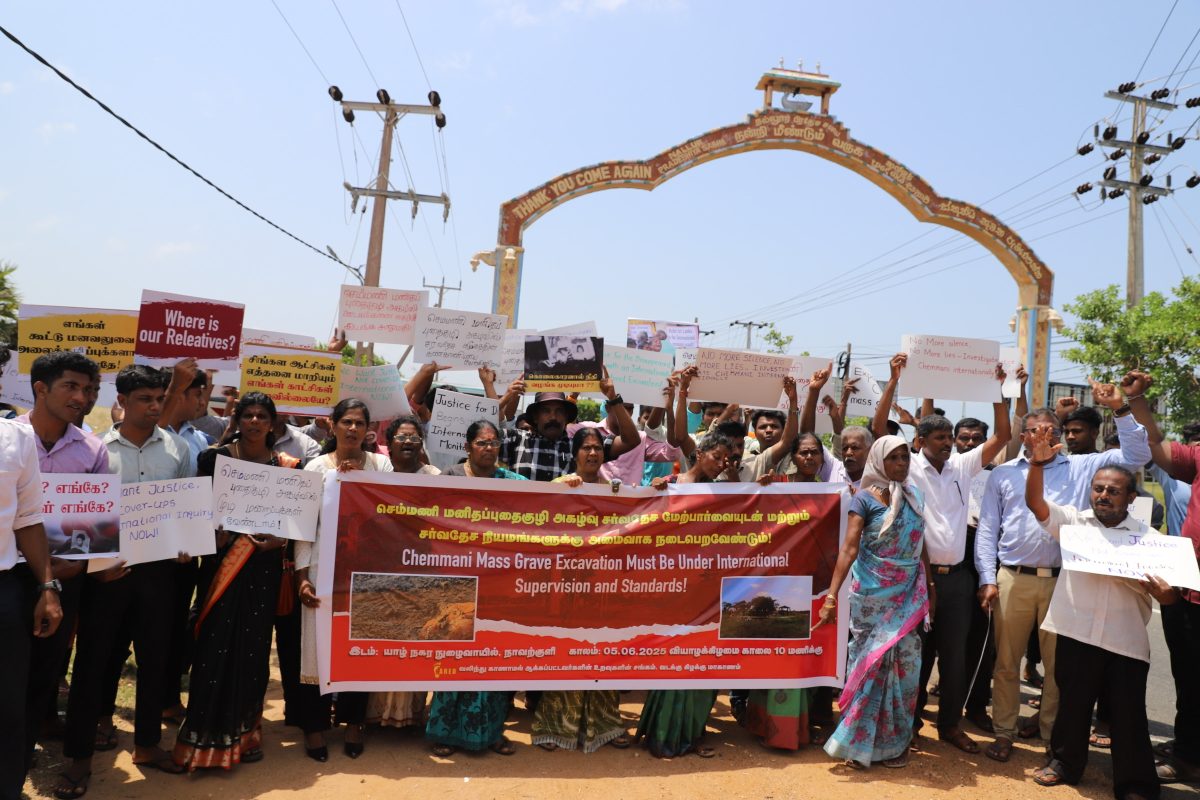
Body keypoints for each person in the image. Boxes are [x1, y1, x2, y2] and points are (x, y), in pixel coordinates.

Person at [975, 376, 1151, 762]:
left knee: (1060, 669)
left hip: (1065, 581)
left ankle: (1049, 738)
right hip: (1013, 578)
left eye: (1052, 431)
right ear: (1023, 436)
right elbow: (988, 529)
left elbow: (1138, 456)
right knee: (1006, 664)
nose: (1046, 437)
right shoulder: (1004, 474)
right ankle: (1004, 732)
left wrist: (1120, 408)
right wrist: (987, 578)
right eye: (1037, 431)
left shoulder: (1084, 466)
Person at [59, 365, 193, 797]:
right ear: (122, 401)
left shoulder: (177, 449)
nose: (154, 407)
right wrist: (97, 569)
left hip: (159, 573)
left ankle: (148, 745)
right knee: (93, 663)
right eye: (144, 399)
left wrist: (186, 541)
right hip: (106, 576)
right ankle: (79, 759)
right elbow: (80, 517)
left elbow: (186, 508)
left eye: (159, 399)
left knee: (155, 659)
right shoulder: (94, 449)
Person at [1023, 422, 1171, 800]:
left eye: (1113, 491)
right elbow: (1037, 505)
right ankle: (1064, 764)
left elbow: (1170, 596)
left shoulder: (1150, 540)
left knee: (1128, 716)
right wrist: (1037, 465)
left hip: (1126, 642)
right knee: (1072, 706)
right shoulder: (1074, 524)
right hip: (1077, 632)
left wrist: (1165, 594)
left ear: (1130, 497)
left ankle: (1135, 785)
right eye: (1098, 489)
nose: (1104, 495)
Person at [873, 353, 1010, 753]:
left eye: (950, 438)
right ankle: (910, 723)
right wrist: (893, 380)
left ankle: (950, 725)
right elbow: (879, 429)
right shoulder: (908, 466)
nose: (949, 443)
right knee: (914, 655)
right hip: (916, 579)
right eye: (940, 438)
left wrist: (998, 391)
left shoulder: (963, 466)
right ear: (920, 442)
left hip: (958, 580)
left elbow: (1002, 436)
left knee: (954, 658)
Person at [173, 392, 296, 771]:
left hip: (263, 568)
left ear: (273, 424)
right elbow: (196, 511)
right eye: (248, 415)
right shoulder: (214, 459)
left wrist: (279, 541)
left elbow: (293, 522)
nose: (255, 422)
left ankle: (246, 734)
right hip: (221, 565)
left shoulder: (286, 466)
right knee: (213, 647)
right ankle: (202, 735)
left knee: (253, 651)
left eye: (262, 416)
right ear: (237, 420)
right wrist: (212, 535)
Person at [16, 353, 108, 778]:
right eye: (71, 386)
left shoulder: (93, 451)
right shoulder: (8, 441)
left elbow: (97, 524)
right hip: (9, 576)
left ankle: (20, 753)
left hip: (64, 583)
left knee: (45, 671)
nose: (81, 398)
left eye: (87, 390)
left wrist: (75, 565)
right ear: (40, 388)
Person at [816, 435, 929, 769]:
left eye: (905, 457)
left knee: (906, 666)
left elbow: (920, 544)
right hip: (871, 598)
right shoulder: (864, 499)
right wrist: (831, 597)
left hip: (907, 597)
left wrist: (930, 588)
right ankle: (857, 743)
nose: (901, 464)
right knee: (868, 666)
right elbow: (849, 549)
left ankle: (895, 744)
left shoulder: (915, 496)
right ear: (879, 461)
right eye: (893, 458)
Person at [294, 399, 391, 761]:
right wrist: (302, 577)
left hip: (365, 571)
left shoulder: (380, 465)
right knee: (315, 649)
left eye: (359, 423)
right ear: (332, 425)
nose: (352, 429)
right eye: (346, 422)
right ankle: (314, 728)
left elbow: (389, 512)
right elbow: (303, 526)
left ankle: (353, 723)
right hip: (321, 568)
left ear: (368, 429)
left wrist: (361, 482)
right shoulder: (315, 467)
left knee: (357, 647)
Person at [530, 428, 632, 752]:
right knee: (567, 652)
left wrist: (656, 488)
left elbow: (635, 523)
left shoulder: (615, 489)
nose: (592, 453)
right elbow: (539, 522)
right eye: (586, 448)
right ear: (574, 454)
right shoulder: (560, 485)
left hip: (603, 587)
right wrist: (563, 493)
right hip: (568, 586)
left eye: (597, 448)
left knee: (603, 654)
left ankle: (605, 723)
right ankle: (555, 725)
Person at [636, 432, 734, 759]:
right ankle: (664, 733)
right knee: (674, 660)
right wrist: (652, 492)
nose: (721, 465)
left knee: (704, 661)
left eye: (726, 460)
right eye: (716, 457)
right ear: (700, 452)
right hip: (673, 588)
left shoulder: (724, 492)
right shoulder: (670, 484)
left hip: (708, 589)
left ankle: (693, 732)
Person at [426, 419, 519, 757]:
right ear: (467, 447)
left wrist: (569, 484)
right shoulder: (448, 479)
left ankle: (490, 733)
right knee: (455, 655)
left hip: (497, 583)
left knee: (492, 658)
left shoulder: (513, 483)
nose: (488, 448)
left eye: (494, 443)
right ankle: (445, 733)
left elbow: (546, 498)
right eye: (482, 442)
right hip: (458, 581)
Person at [1132, 373, 1200, 783]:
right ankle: (1188, 755)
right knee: (1189, 680)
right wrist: (1137, 399)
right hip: (1187, 595)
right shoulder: (1198, 457)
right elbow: (1157, 445)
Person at [1, 352, 62, 800]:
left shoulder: (15, 439)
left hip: (5, 593)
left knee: (7, 706)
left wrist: (47, 588)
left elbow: (28, 520)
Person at [491, 368, 640, 482]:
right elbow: (479, 433)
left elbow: (631, 441)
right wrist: (505, 398)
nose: (553, 417)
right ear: (535, 417)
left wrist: (613, 399)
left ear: (567, 416)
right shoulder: (517, 439)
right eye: (546, 411)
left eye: (559, 411)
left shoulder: (579, 446)